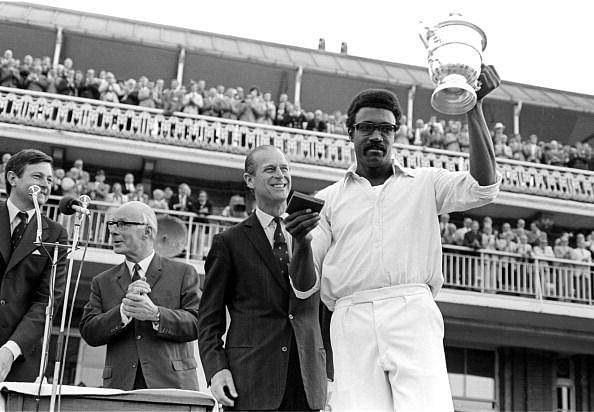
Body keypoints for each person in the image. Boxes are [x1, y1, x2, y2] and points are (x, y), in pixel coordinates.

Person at [295, 66, 502, 411]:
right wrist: (300, 242)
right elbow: (304, 286)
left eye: (385, 129)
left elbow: (483, 187)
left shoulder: (425, 182)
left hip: (412, 308)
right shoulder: (327, 199)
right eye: (366, 128)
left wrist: (474, 107)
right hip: (350, 314)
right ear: (351, 133)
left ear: (395, 134)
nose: (376, 136)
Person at [198, 145, 327, 411]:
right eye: (270, 169)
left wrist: (331, 374)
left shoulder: (318, 234)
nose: (280, 175)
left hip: (307, 382)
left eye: (285, 169)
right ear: (249, 180)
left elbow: (325, 309)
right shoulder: (229, 242)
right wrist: (216, 370)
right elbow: (209, 320)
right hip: (251, 381)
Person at [79, 201, 201, 390]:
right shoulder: (102, 281)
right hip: (120, 388)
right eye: (112, 224)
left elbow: (198, 323)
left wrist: (156, 315)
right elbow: (89, 332)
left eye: (123, 224)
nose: (113, 231)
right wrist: (121, 313)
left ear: (148, 232)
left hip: (174, 387)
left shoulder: (183, 273)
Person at [0, 149, 68, 382]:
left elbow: (46, 300)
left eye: (50, 179)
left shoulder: (57, 234)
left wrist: (10, 350)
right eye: (38, 177)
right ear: (12, 178)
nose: (47, 185)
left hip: (19, 361)